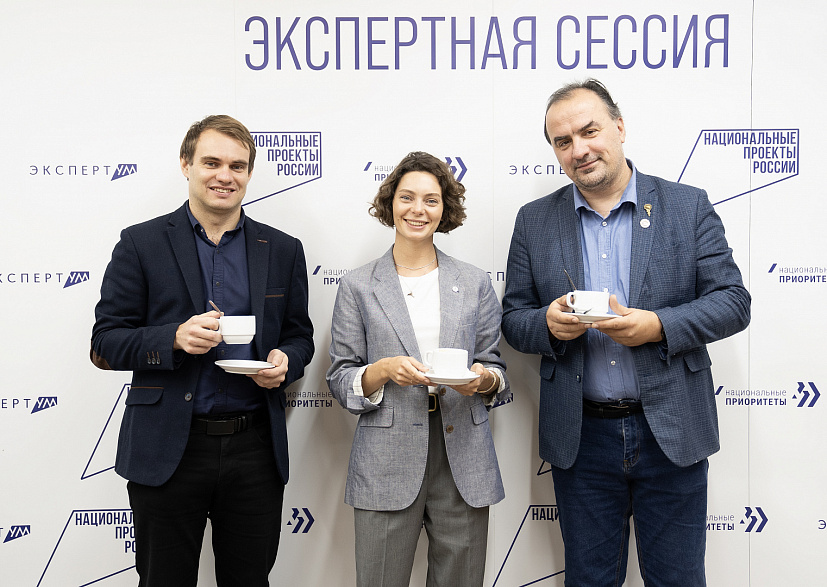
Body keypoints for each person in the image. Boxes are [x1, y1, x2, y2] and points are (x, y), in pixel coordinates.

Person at [501, 79, 751, 586]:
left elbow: (733, 302)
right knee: (589, 580)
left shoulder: (687, 205)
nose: (579, 149)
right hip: (582, 438)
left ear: (619, 126)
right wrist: (547, 324)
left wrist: (657, 326)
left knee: (678, 579)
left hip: (671, 431)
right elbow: (513, 318)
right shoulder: (534, 221)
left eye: (589, 131)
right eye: (563, 141)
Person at [90, 115, 314, 586]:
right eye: (212, 163)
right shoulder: (141, 243)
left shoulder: (283, 249)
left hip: (255, 448)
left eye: (237, 166)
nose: (224, 176)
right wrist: (172, 338)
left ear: (249, 173)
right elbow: (104, 343)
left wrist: (286, 362)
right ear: (186, 164)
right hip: (168, 447)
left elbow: (299, 336)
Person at [326, 151, 510, 587]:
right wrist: (382, 370)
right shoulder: (357, 285)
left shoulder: (474, 282)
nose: (418, 209)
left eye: (431, 200)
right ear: (390, 203)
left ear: (445, 208)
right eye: (407, 197)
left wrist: (483, 380)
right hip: (385, 458)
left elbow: (495, 368)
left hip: (462, 454)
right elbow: (340, 378)